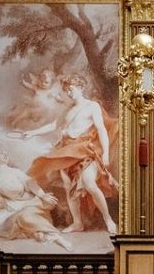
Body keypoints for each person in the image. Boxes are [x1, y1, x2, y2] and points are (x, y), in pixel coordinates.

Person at [16, 74, 118, 235]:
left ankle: (108, 219)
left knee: (89, 183)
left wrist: (105, 153)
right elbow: (53, 125)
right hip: (66, 151)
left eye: (71, 89)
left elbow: (101, 129)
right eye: (67, 91)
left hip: (84, 149)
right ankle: (77, 223)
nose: (69, 93)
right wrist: (32, 133)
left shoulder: (92, 106)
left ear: (81, 87)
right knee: (68, 187)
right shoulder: (68, 109)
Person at [0, 150, 72, 249]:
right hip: (10, 207)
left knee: (25, 217)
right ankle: (38, 233)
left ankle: (55, 236)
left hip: (30, 204)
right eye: (1, 153)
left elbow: (30, 183)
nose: (5, 154)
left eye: (6, 153)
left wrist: (42, 195)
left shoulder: (15, 172)